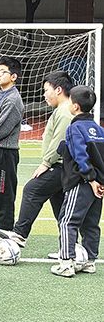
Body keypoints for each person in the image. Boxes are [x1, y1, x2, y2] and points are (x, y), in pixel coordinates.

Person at [0, 71, 74, 248]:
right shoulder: (62, 110)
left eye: (46, 90)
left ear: (59, 90)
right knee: (60, 206)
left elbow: (60, 142)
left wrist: (46, 163)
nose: (44, 94)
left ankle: (20, 234)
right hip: (62, 166)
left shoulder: (65, 112)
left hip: (61, 165)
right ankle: (70, 247)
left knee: (32, 189)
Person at [51, 85, 104, 277]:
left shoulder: (75, 128)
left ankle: (66, 262)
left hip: (81, 182)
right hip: (99, 185)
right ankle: (90, 261)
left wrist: (89, 178)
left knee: (67, 221)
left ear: (74, 106)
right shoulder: (98, 129)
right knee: (91, 223)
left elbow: (81, 156)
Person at [0, 56, 24, 242]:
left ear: (13, 76)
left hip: (5, 152)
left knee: (2, 192)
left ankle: (5, 230)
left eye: (2, 72)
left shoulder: (14, 99)